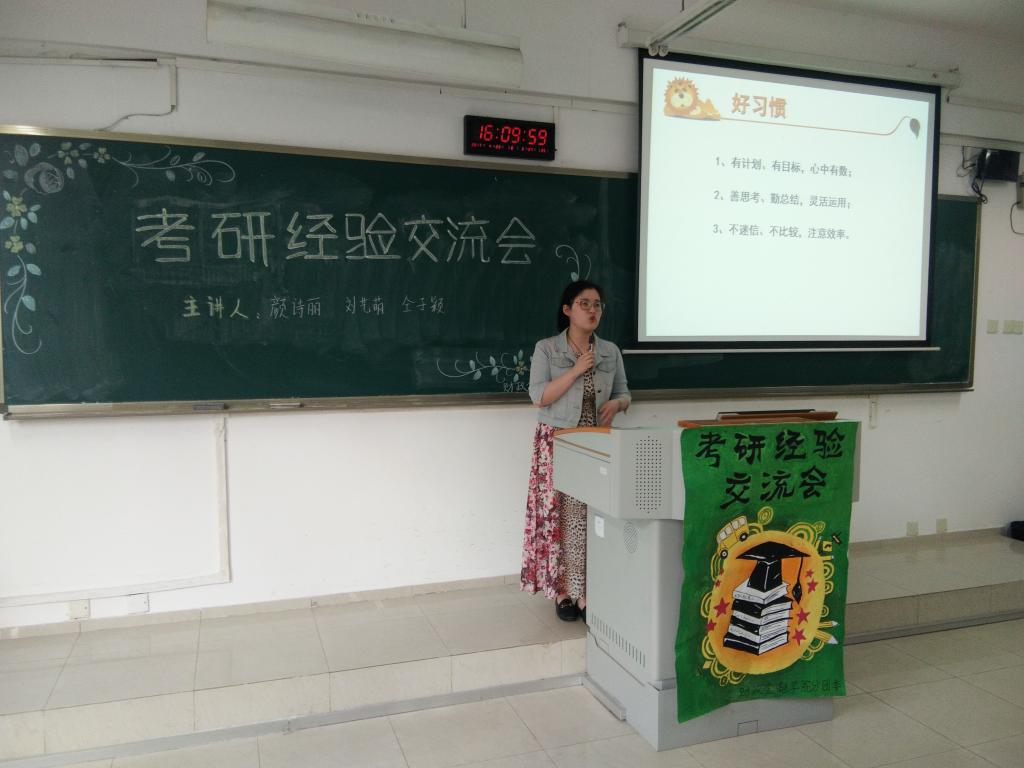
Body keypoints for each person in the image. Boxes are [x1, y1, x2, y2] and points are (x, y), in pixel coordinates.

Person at [520, 280, 631, 622]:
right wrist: (575, 371)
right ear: (567, 310)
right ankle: (563, 591)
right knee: (559, 518)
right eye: (585, 304)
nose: (593, 310)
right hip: (558, 442)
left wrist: (618, 404)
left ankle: (587, 593)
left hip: (596, 442)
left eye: (597, 304)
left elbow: (625, 392)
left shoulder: (610, 351)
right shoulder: (547, 349)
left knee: (591, 517)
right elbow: (539, 396)